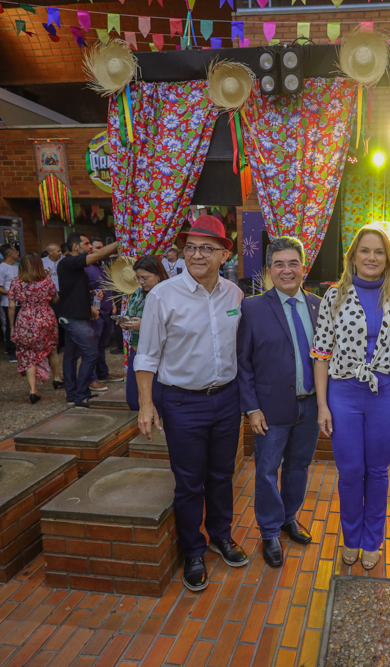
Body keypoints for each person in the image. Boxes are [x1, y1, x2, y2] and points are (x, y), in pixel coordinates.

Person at [135, 215, 248, 591]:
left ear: (224, 254)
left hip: (227, 399)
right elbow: (146, 356)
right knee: (188, 482)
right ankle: (193, 550)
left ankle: (220, 535)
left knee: (221, 475)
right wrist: (146, 405)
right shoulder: (162, 296)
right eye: (191, 247)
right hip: (182, 403)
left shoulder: (234, 295)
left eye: (206, 248)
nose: (197, 255)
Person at [311, 224, 390, 571]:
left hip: (387, 394)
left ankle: (372, 540)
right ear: (353, 257)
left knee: (376, 470)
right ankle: (351, 537)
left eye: (378, 252)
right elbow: (321, 354)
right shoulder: (334, 297)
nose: (371, 257)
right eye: (365, 251)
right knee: (349, 470)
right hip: (344, 393)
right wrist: (322, 405)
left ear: (387, 258)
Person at [237, 237, 322, 568]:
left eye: (293, 263)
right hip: (270, 408)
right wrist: (252, 408)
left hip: (310, 405)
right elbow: (243, 362)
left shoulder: (318, 306)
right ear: (269, 270)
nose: (287, 270)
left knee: (299, 466)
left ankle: (289, 517)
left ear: (303, 267)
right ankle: (270, 530)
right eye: (279, 264)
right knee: (267, 471)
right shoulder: (253, 308)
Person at [57, 233, 118, 408]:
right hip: (73, 317)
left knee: (71, 355)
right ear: (75, 246)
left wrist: (91, 293)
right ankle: (82, 394)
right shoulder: (69, 261)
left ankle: (72, 394)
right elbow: (101, 254)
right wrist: (121, 239)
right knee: (91, 353)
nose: (89, 247)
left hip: (76, 314)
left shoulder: (74, 266)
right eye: (86, 244)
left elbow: (73, 288)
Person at [9, 255, 60, 404]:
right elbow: (55, 299)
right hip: (46, 317)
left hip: (25, 319)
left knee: (28, 354)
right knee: (52, 348)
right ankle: (57, 378)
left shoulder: (15, 282)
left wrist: (12, 326)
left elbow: (11, 306)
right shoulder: (46, 280)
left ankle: (33, 390)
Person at [120, 255, 167, 411]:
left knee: (156, 398)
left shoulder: (167, 294)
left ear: (158, 275)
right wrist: (125, 321)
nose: (141, 282)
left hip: (158, 353)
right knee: (134, 399)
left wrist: (144, 325)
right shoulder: (138, 292)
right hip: (136, 349)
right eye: (138, 278)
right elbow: (130, 313)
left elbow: (174, 325)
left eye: (145, 278)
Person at [86, 239, 122, 389]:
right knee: (92, 346)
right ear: (91, 250)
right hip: (95, 312)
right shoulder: (85, 267)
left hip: (107, 309)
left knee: (102, 345)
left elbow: (108, 286)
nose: (102, 250)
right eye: (98, 248)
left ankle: (103, 373)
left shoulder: (104, 265)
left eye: (102, 247)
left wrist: (112, 303)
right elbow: (83, 289)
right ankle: (91, 378)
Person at [0, 244, 20, 363]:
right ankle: (11, 351)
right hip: (8, 303)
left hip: (20, 302)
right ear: (10, 254)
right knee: (10, 326)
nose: (17, 253)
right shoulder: (1, 269)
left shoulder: (16, 267)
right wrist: (11, 293)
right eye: (15, 251)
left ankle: (20, 349)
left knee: (20, 325)